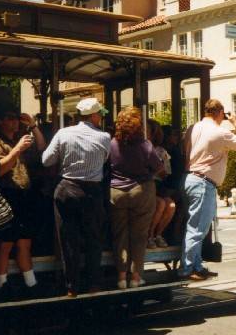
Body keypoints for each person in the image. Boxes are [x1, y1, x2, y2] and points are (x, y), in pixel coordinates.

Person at [42, 97, 111, 297]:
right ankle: (94, 284)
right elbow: (105, 159)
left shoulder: (63, 133)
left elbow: (46, 161)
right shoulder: (104, 137)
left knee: (68, 239)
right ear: (95, 115)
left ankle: (72, 286)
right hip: (91, 191)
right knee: (93, 238)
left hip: (67, 188)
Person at [180, 99, 236, 281]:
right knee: (197, 228)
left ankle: (197, 264)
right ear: (219, 113)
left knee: (195, 225)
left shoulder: (193, 128)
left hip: (189, 178)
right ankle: (187, 268)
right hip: (203, 182)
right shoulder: (219, 131)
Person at [0, 109, 46, 299]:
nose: (15, 122)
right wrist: (17, 149)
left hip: (24, 196)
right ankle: (1, 285)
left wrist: (32, 126)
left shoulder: (22, 138)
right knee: (5, 244)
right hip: (6, 195)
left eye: (16, 119)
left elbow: (41, 148)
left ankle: (31, 283)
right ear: (0, 121)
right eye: (10, 118)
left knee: (24, 241)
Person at [108, 108, 162, 289]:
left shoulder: (112, 144)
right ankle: (136, 278)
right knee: (139, 237)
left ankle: (121, 277)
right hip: (142, 191)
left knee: (120, 235)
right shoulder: (145, 145)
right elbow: (157, 166)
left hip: (116, 192)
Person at [147, 119, 175, 249]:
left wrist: (160, 171)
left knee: (171, 205)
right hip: (146, 185)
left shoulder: (161, 151)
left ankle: (158, 234)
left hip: (157, 186)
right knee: (160, 204)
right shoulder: (142, 147)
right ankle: (149, 235)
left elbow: (166, 172)